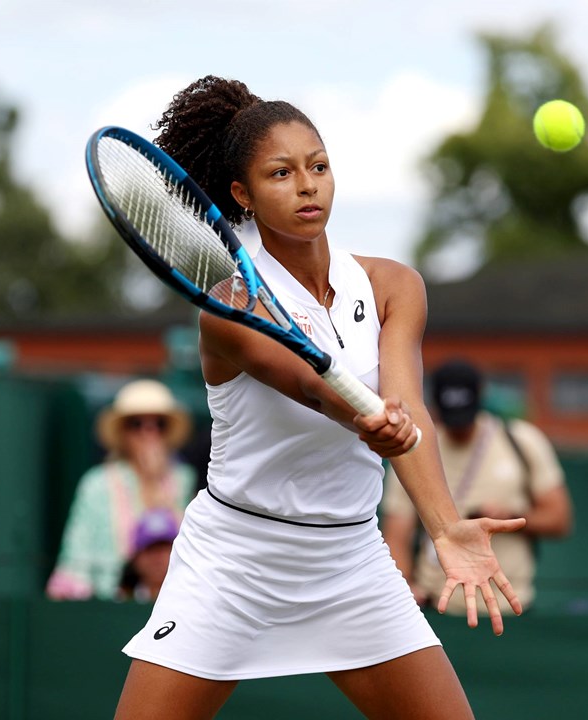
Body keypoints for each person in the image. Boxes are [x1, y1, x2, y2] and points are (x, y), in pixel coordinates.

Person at [112, 76, 527, 720]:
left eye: (319, 166)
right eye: (281, 173)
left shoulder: (394, 286)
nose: (307, 185)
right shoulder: (229, 306)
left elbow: (408, 405)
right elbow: (309, 382)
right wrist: (367, 419)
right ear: (242, 194)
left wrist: (445, 528)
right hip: (235, 561)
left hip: (350, 560)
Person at [382, 359, 573, 613]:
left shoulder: (522, 440)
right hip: (437, 605)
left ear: (481, 397)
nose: (459, 427)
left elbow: (559, 519)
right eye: (453, 419)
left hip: (513, 605)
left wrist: (509, 518)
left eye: (465, 416)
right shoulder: (416, 447)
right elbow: (397, 532)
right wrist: (406, 586)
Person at [47, 379, 195, 601]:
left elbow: (187, 545)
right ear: (122, 433)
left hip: (171, 603)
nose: (148, 432)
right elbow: (76, 557)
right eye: (136, 423)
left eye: (159, 424)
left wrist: (157, 486)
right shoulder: (96, 483)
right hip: (108, 604)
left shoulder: (183, 478)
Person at [117, 507, 179, 603]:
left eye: (163, 549)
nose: (157, 558)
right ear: (136, 557)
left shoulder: (191, 599)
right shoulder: (120, 600)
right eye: (150, 550)